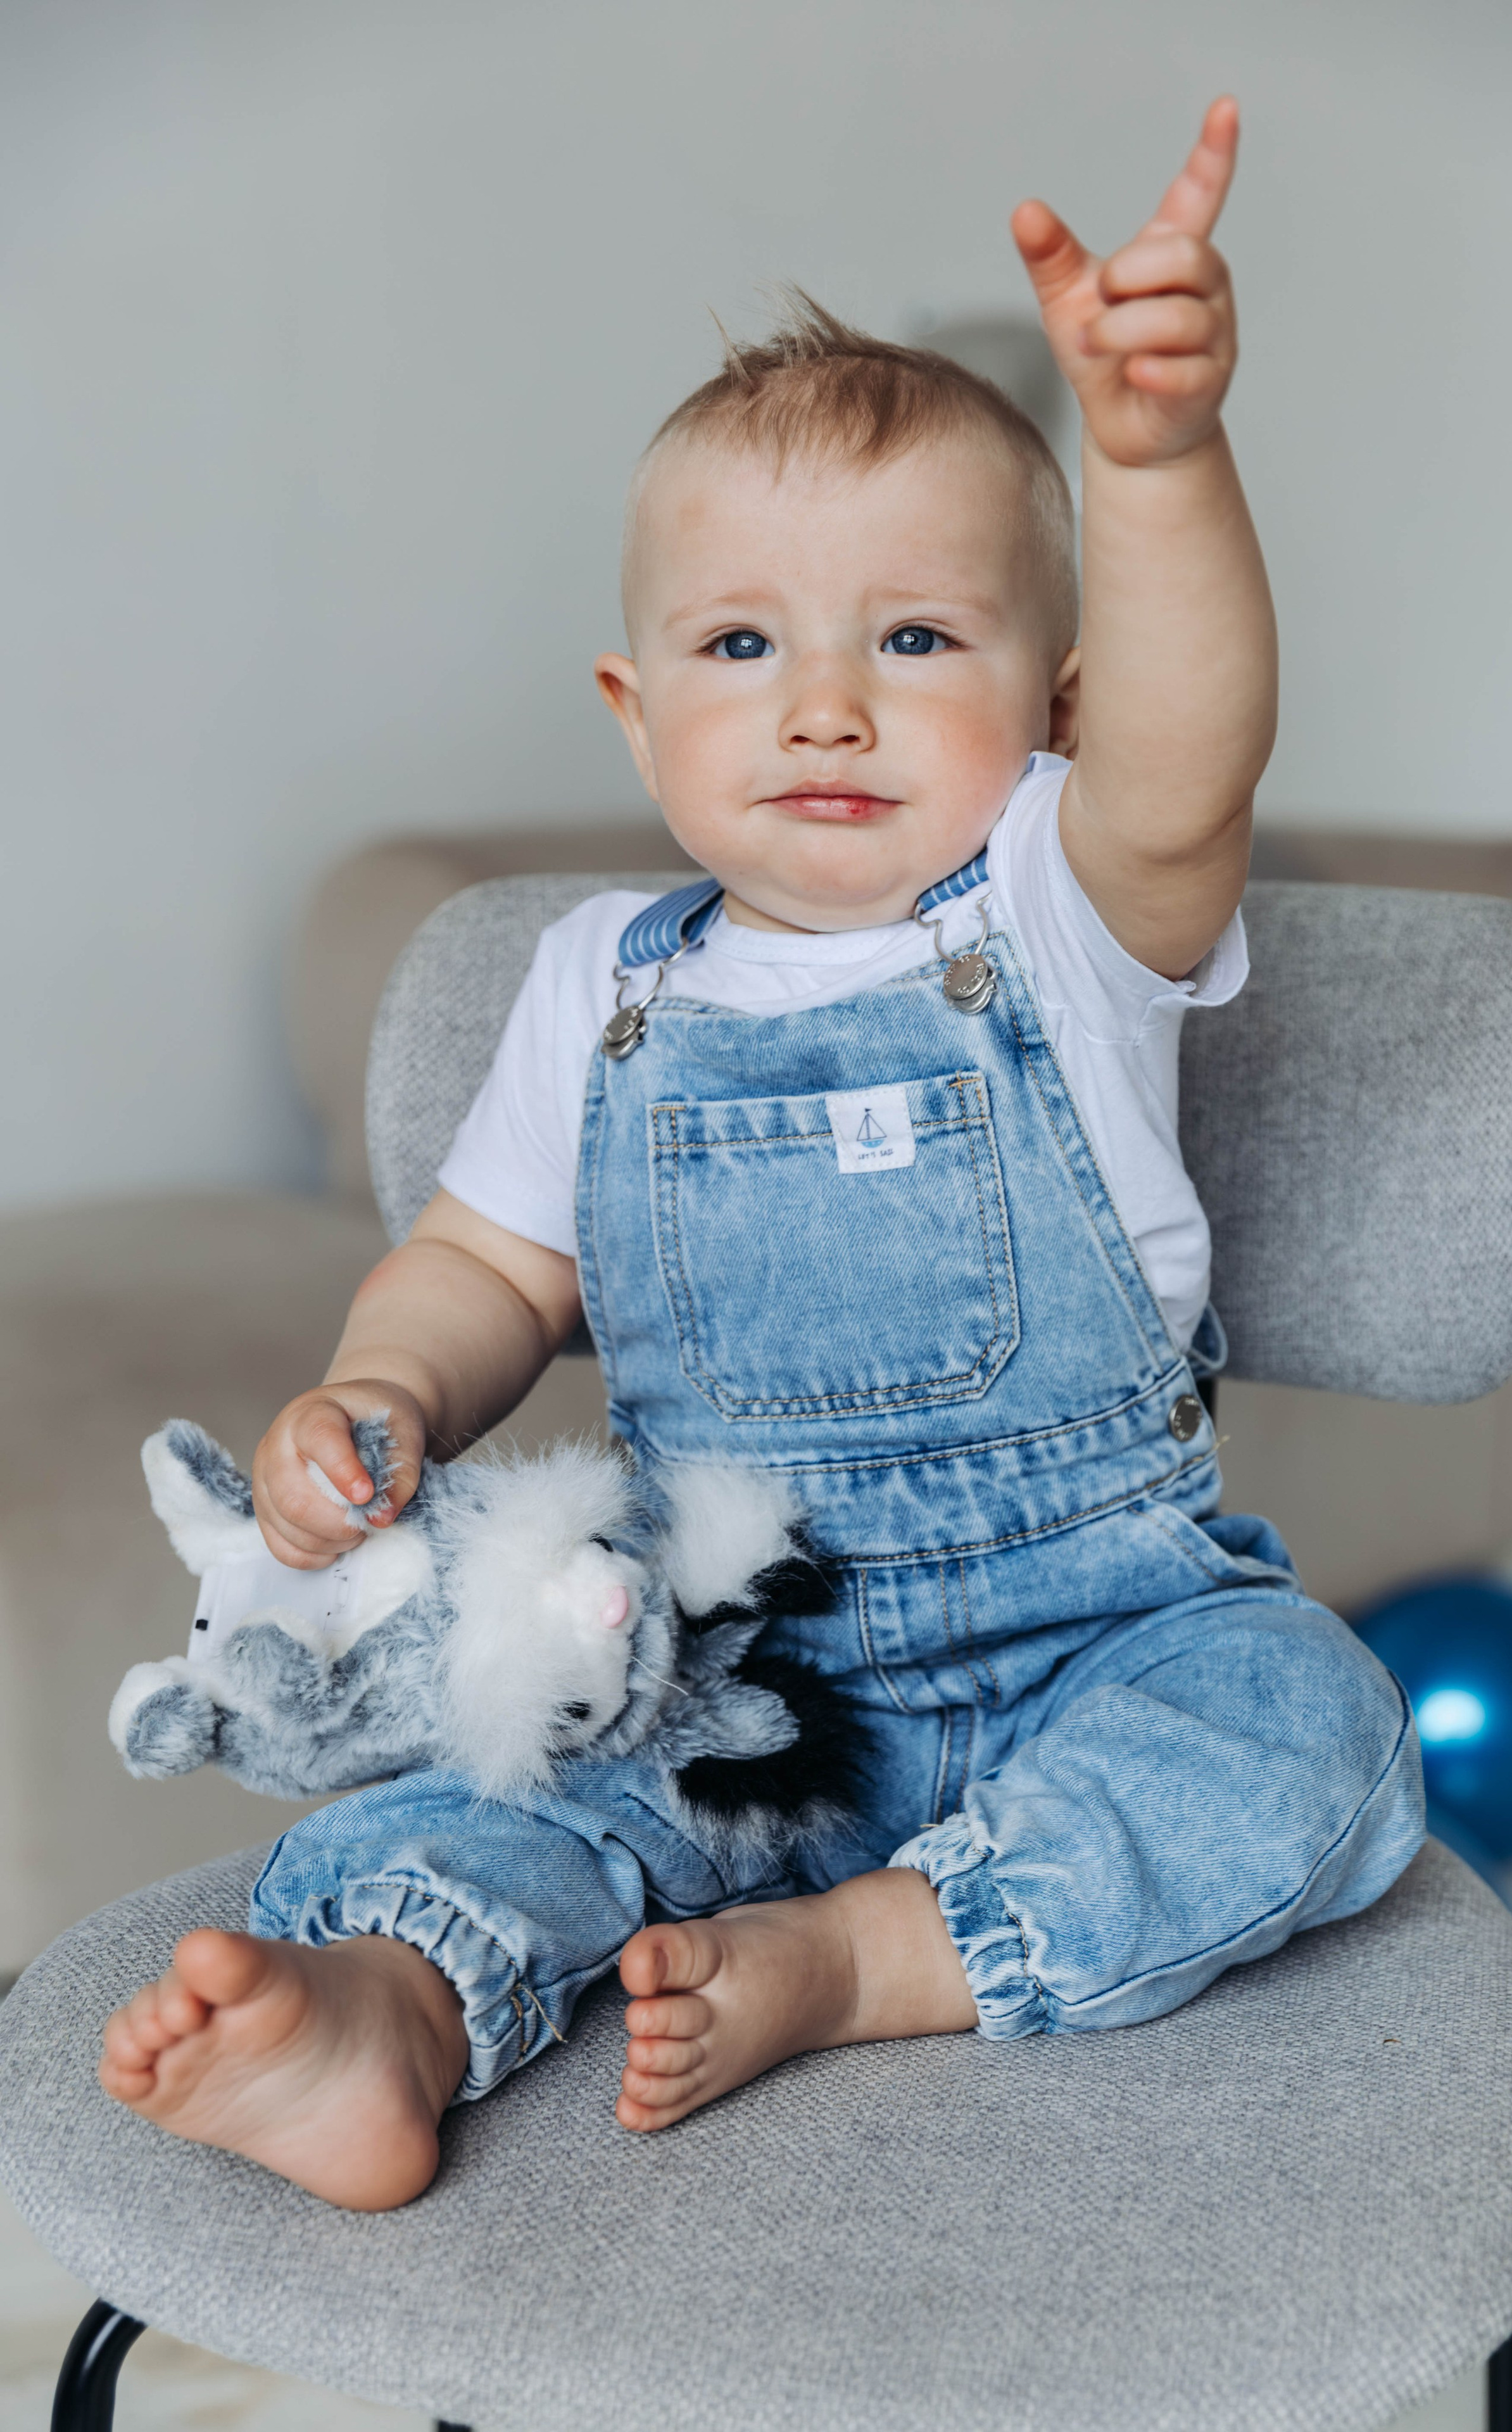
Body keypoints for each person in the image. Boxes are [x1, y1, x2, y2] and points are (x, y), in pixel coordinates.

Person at [99, 99, 1424, 2212]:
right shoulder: (594, 983)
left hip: (1100, 1633)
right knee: (521, 1786)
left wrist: (1156, 461)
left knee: (1321, 1731)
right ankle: (384, 2012)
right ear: (637, 713)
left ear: (1058, 713)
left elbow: (1192, 771)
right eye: (745, 645)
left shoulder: (1053, 921)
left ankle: (878, 1959)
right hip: (728, 1663)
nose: (824, 707)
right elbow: (482, 1267)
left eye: (915, 639)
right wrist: (382, 1393)